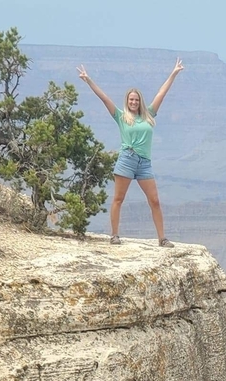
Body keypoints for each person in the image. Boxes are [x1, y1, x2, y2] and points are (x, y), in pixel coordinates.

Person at [76, 59, 184, 246]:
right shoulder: (120, 116)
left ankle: (162, 238)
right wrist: (88, 80)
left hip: (144, 163)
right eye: (131, 100)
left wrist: (174, 73)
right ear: (127, 101)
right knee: (118, 199)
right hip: (127, 159)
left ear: (140, 101)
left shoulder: (149, 114)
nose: (134, 102)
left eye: (136, 99)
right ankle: (114, 235)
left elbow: (161, 93)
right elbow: (104, 98)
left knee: (155, 200)